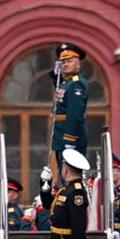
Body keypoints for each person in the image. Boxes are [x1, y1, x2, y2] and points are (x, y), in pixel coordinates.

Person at [49, 43, 89, 180]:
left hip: (70, 137)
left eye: (69, 61)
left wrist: (70, 140)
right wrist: (56, 77)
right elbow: (62, 98)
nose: (65, 65)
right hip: (60, 135)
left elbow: (74, 112)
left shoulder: (77, 84)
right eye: (63, 62)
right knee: (63, 175)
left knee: (70, 177)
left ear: (78, 65)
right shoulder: (67, 83)